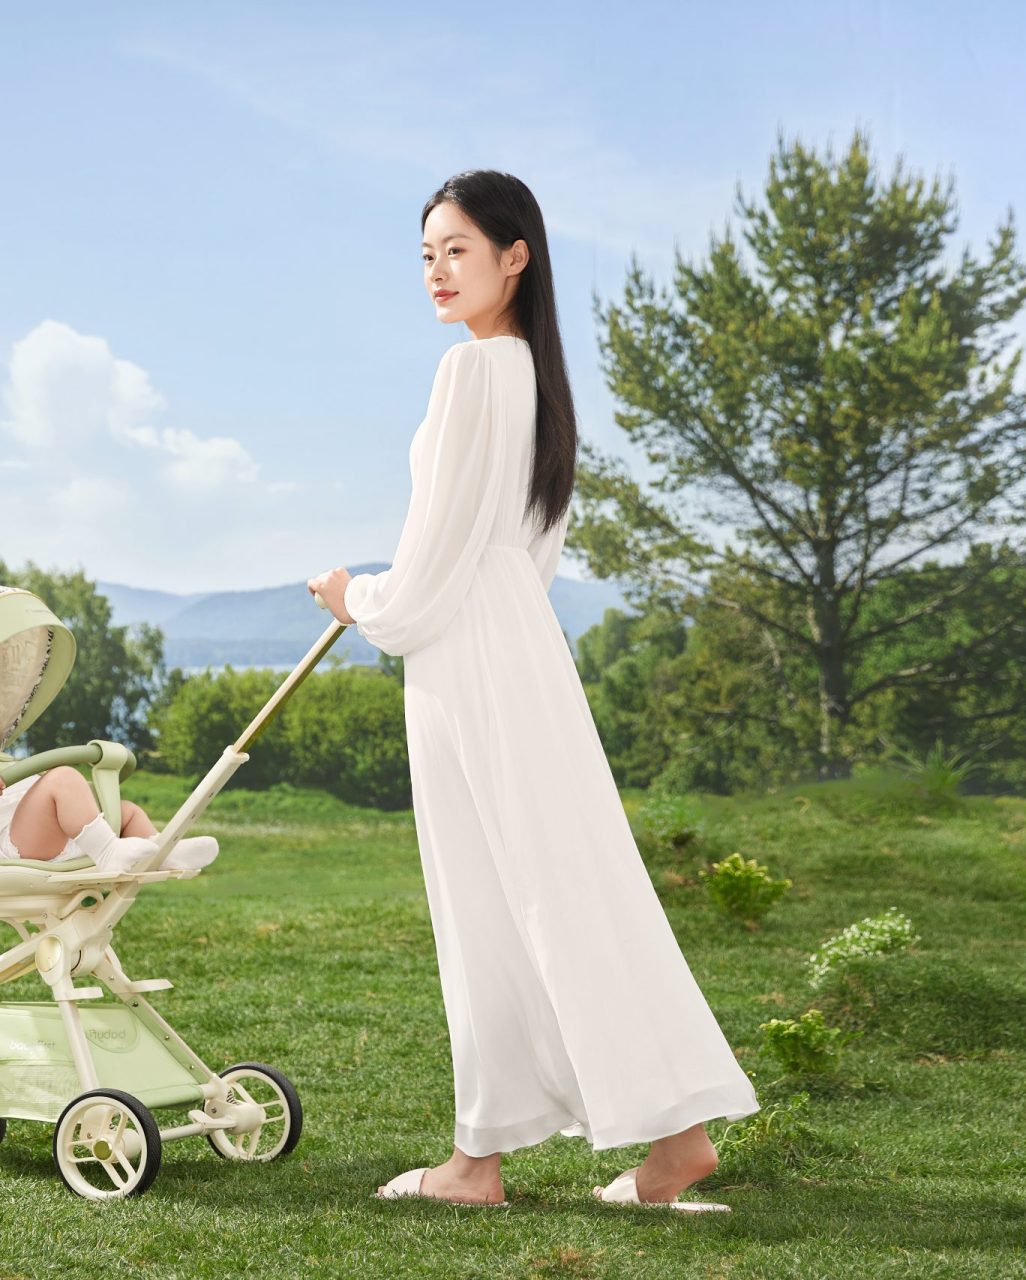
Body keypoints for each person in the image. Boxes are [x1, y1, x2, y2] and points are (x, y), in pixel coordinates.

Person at [306, 170, 759, 1211]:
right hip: (520, 647)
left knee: (493, 903)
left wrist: (354, 597)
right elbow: (524, 554)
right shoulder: (537, 383)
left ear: (516, 257)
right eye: (427, 254)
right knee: (565, 887)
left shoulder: (471, 373)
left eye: (457, 249)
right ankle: (671, 1136)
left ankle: (480, 1163)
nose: (436, 271)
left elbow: (430, 564)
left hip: (466, 656)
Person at [0, 687, 216, 874]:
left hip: (60, 834)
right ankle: (109, 852)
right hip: (13, 842)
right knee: (62, 777)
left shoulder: (4, 764)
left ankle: (163, 853)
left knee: (126, 810)